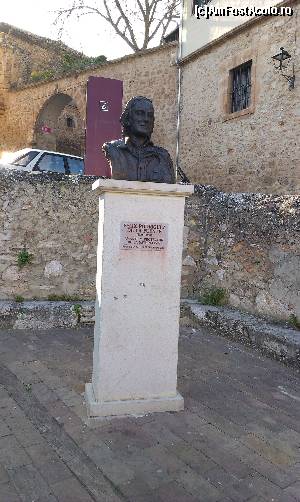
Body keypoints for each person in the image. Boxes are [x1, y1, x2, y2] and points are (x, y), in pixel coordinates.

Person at [102, 96, 175, 183]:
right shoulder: (113, 149)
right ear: (128, 119)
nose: (146, 119)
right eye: (140, 113)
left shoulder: (163, 157)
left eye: (150, 115)